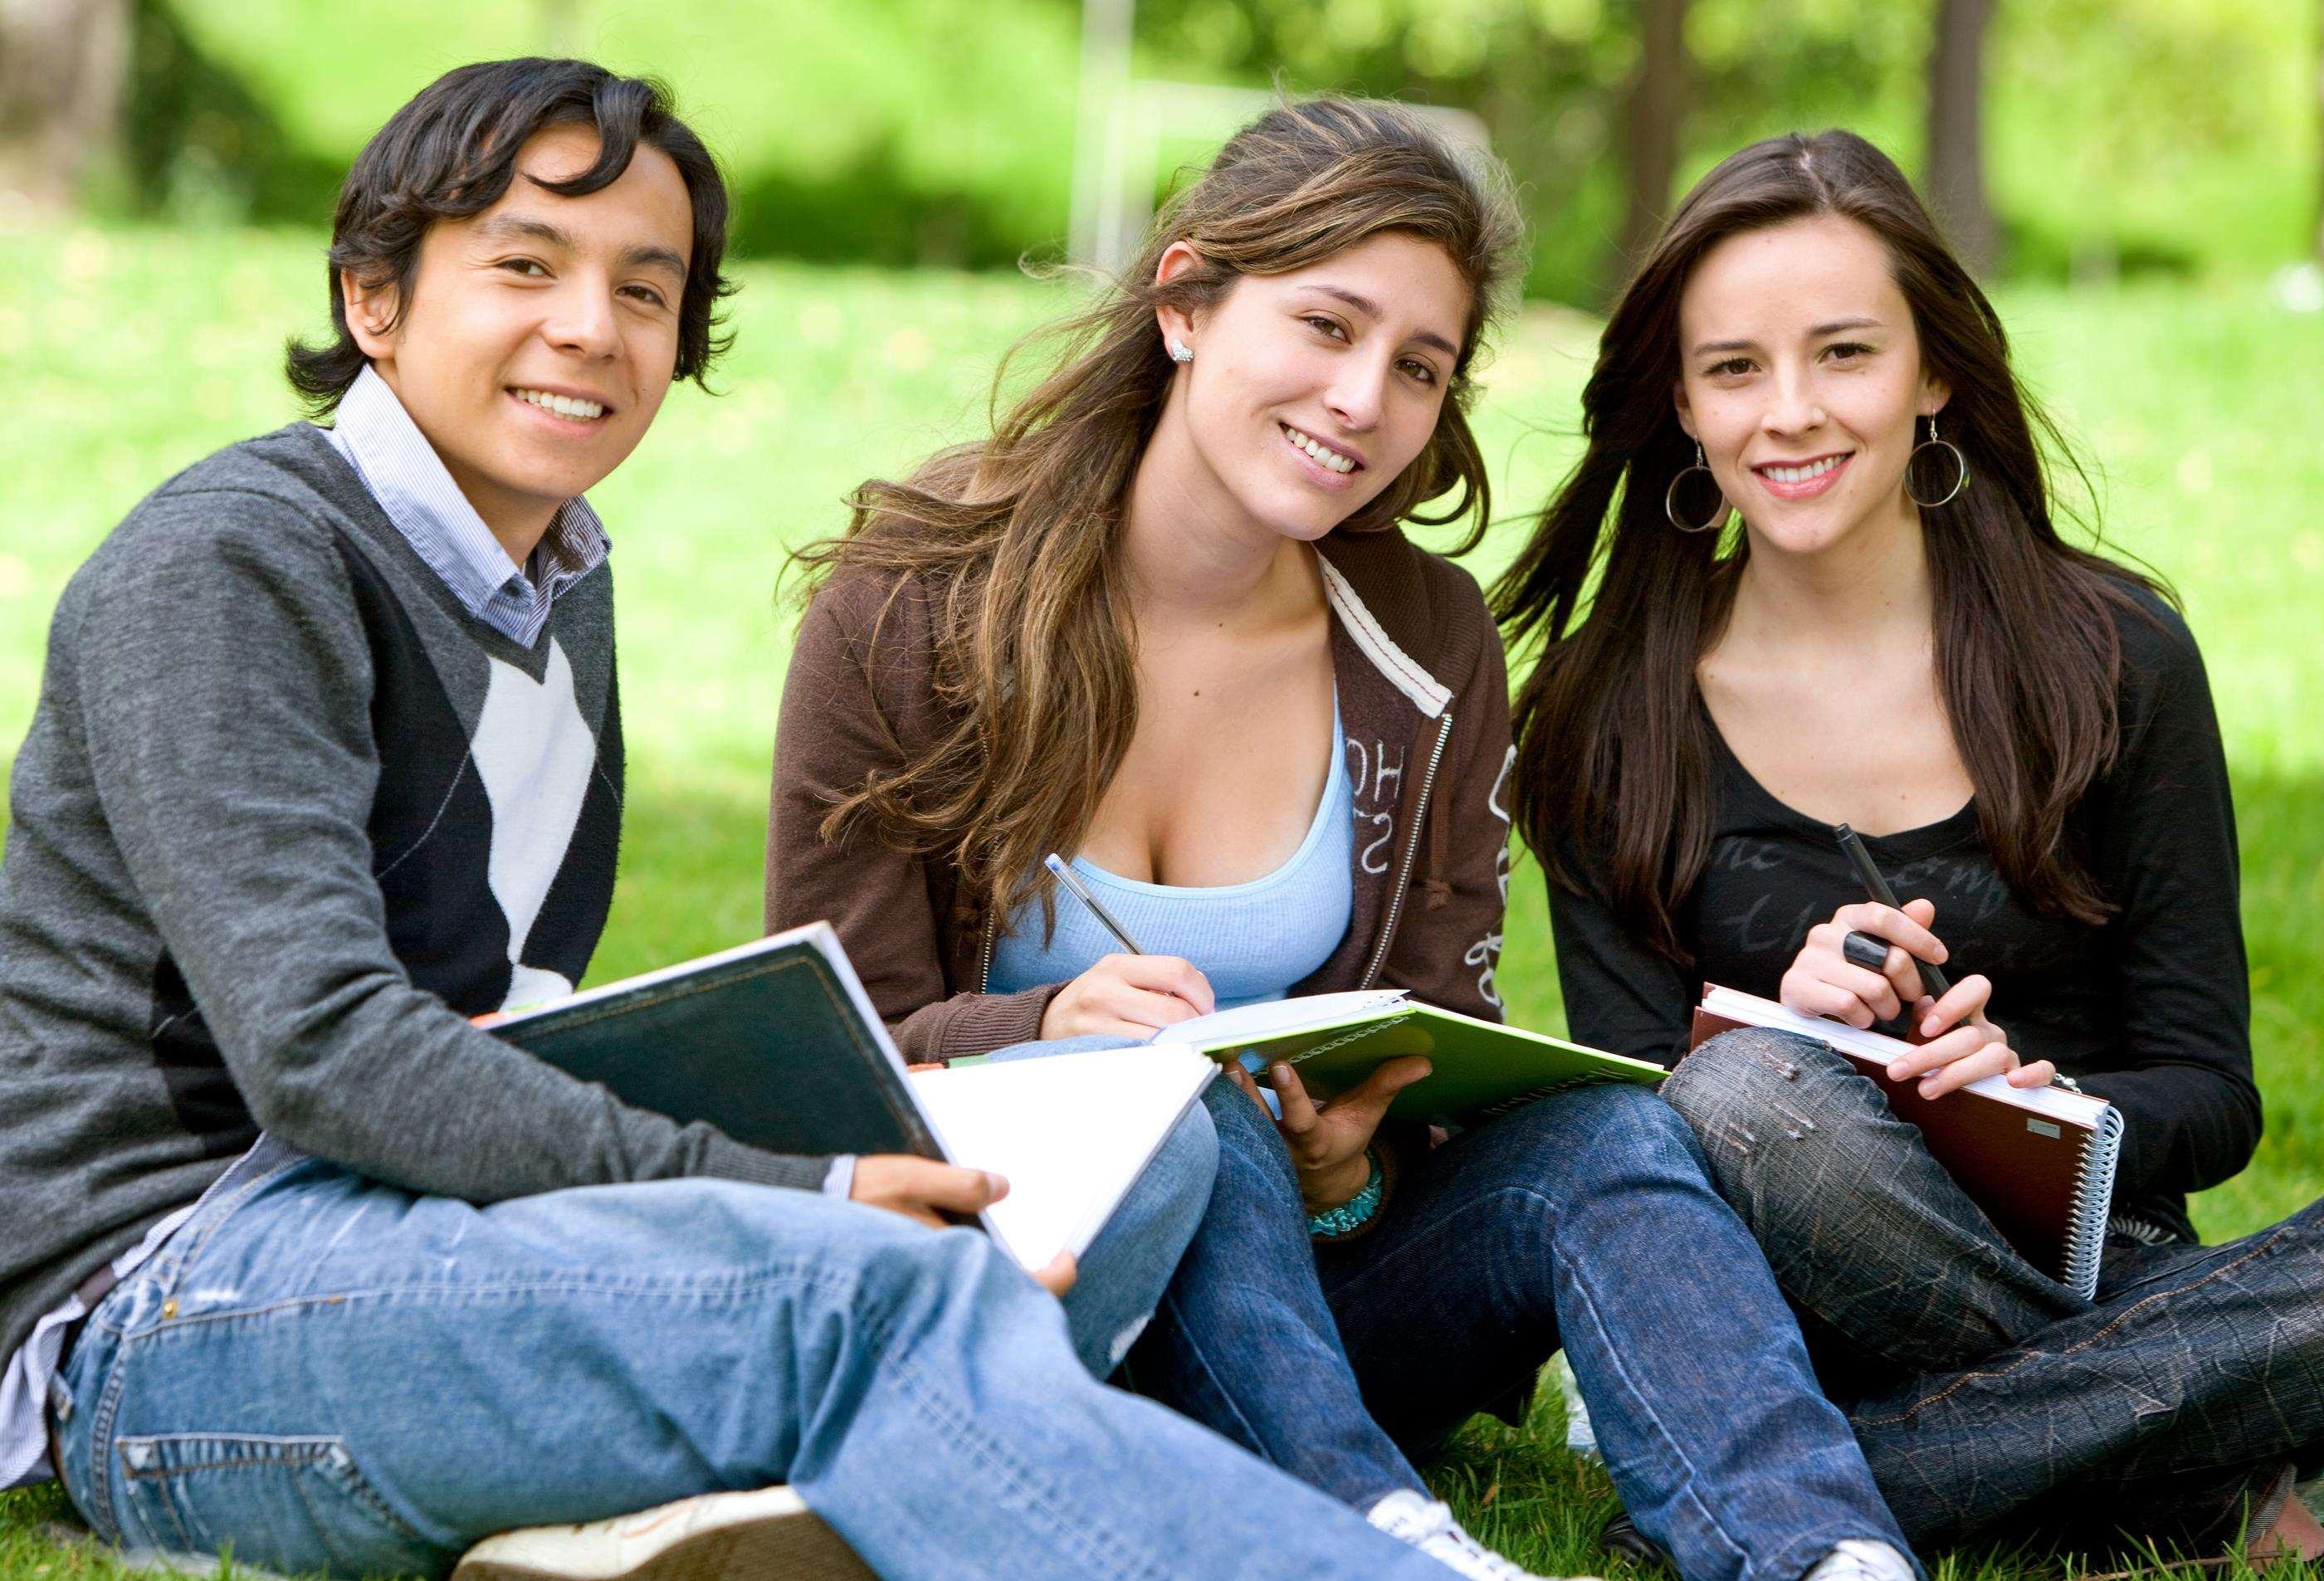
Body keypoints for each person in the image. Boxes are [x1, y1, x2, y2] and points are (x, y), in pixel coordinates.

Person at [0, 57, 1496, 1581]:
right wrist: (798, 1191)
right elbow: (326, 1054)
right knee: (874, 1280)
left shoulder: (552, 592)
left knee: (1143, 1151)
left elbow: (506, 1018)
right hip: (165, 1308)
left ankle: (743, 1494)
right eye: (526, 265)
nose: (591, 327)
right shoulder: (231, 569)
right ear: (372, 298)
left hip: (430, 1232)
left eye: (645, 291)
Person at [769, 95, 1920, 1581]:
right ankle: (1374, 1540)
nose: (1364, 397)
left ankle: (1822, 1550)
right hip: (1029, 1275)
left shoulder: (1427, 643)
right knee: (1175, 1100)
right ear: (1186, 301)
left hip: (1315, 1290)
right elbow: (824, 1054)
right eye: (1327, 325)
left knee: (1610, 1134)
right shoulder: (913, 600)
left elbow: (1446, 1032)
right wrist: (1049, 1021)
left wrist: (1358, 1165)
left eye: (1419, 365)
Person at [1498, 127, 2324, 1559]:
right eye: (1735, 368)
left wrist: (2043, 1106)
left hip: (2095, 1263)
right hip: (1795, 1276)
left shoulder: (2114, 659)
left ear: (1933, 372)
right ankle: (2217, 1441)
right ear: (1682, 403)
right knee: (1748, 1095)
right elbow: (1618, 1151)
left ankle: (1898, 1467)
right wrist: (1783, 1039)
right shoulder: (1599, 711)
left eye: (1844, 354)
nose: (1790, 413)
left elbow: (2215, 1095)